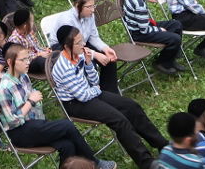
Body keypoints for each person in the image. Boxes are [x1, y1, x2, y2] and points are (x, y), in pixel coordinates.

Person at [51, 24, 167, 169]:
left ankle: (163, 145)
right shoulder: (64, 67)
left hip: (90, 92)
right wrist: (96, 90)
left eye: (82, 40)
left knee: (131, 106)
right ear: (67, 46)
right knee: (119, 120)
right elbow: (82, 96)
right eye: (79, 42)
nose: (84, 44)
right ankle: (146, 163)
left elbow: (94, 82)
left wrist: (88, 63)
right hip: (75, 104)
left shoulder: (80, 54)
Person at [0, 44, 114, 169]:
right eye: (23, 60)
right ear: (10, 62)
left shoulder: (23, 76)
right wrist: (30, 102)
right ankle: (95, 163)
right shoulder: (4, 88)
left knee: (67, 145)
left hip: (34, 125)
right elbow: (12, 121)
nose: (28, 62)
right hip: (19, 132)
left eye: (28, 58)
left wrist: (41, 118)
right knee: (67, 126)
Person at [121, 0, 186, 75]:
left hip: (142, 25)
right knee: (175, 38)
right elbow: (144, 30)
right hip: (139, 33)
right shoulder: (139, 5)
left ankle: (170, 59)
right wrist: (159, 29)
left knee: (176, 24)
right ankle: (161, 63)